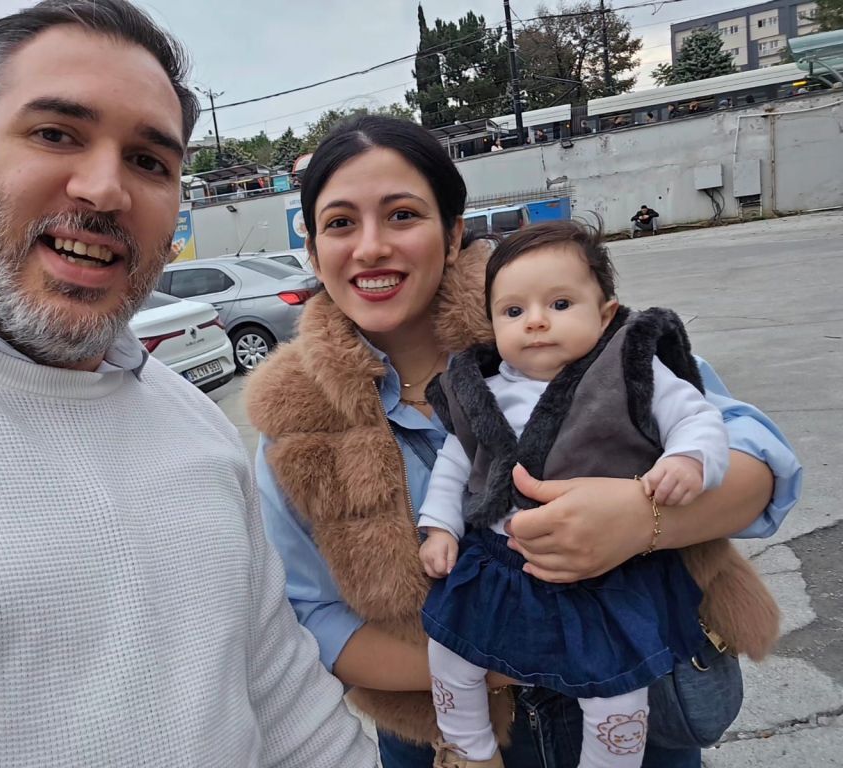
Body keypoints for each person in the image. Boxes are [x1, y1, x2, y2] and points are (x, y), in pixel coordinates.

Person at [0, 1, 376, 765]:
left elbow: (291, 712)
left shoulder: (197, 427)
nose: (106, 189)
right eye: (55, 134)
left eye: (149, 162)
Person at [246, 114, 801, 768]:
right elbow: (312, 618)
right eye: (340, 223)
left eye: (402, 215)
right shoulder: (295, 423)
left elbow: (761, 463)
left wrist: (641, 520)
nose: (371, 247)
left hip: (637, 705)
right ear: (314, 253)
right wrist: (496, 661)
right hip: (450, 736)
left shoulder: (552, 318)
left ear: (453, 234)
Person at [417, 220, 777, 768]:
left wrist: (687, 459)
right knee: (450, 651)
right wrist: (440, 527)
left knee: (615, 686)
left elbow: (697, 417)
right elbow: (456, 464)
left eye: (560, 303)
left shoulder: (630, 370)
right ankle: (469, 748)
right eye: (512, 311)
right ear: (492, 324)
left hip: (606, 570)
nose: (535, 321)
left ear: (606, 313)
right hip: (501, 564)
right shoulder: (483, 389)